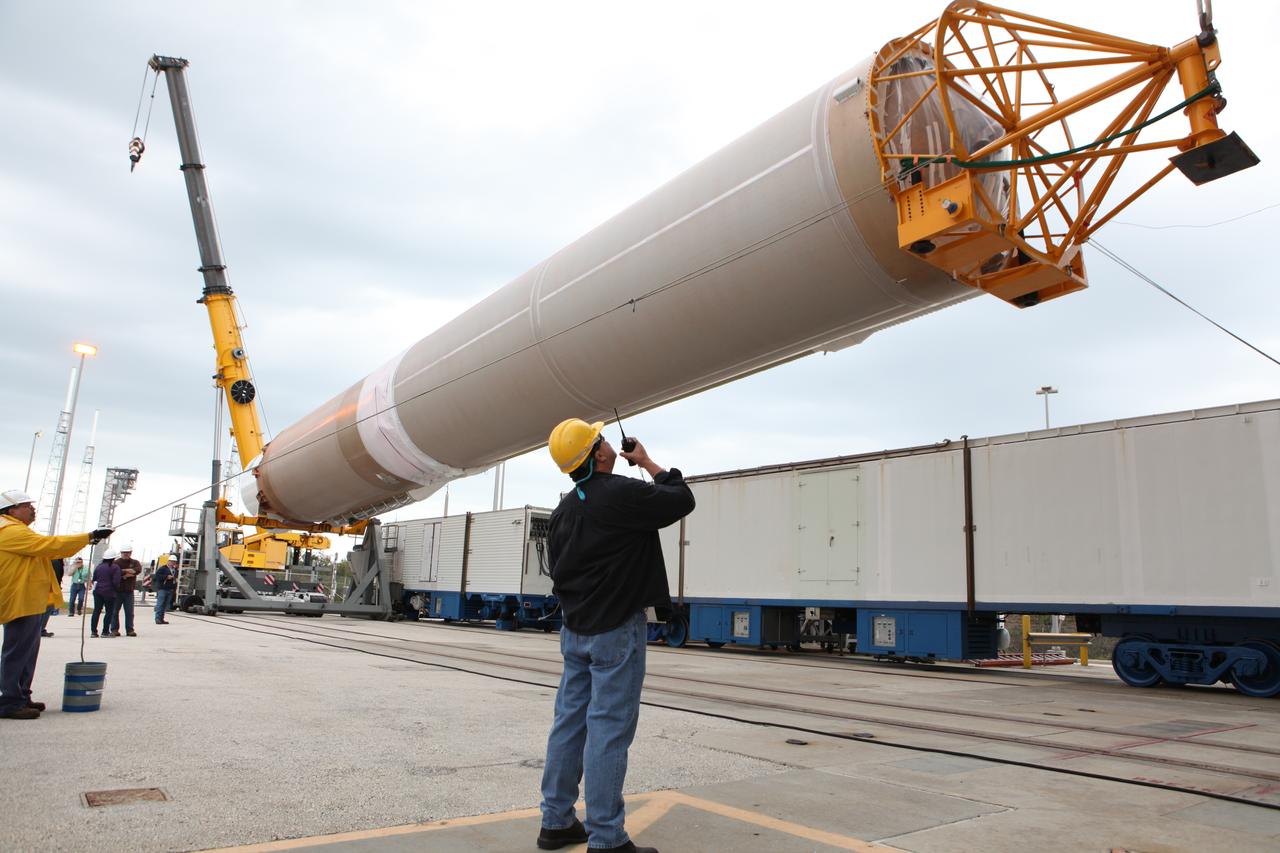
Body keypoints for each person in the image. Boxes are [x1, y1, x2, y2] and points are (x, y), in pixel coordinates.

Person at [536, 419, 694, 853]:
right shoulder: (622, 492)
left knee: (568, 724)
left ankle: (556, 822)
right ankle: (606, 838)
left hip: (575, 631)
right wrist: (646, 461)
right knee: (608, 730)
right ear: (600, 454)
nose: (607, 443)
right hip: (615, 633)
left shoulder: (563, 512)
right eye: (601, 439)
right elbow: (681, 498)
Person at [0, 489, 110, 720]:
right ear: (11, 510)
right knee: (17, 651)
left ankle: (21, 696)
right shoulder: (8, 530)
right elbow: (51, 545)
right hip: (21, 600)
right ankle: (10, 701)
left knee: (27, 651)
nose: (32, 509)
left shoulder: (16, 530)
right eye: (26, 505)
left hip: (30, 600)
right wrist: (88, 537)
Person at [111, 544, 142, 638]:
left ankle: (130, 630)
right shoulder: (116, 562)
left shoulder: (135, 562)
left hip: (129, 591)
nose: (126, 554)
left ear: (131, 553)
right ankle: (114, 629)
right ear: (121, 553)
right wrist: (127, 572)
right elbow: (115, 572)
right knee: (114, 611)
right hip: (117, 591)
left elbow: (137, 570)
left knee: (129, 612)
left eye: (127, 552)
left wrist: (124, 572)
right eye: (124, 552)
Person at [91, 549, 121, 638]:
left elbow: (94, 578)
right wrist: (116, 589)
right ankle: (105, 632)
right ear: (113, 558)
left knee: (96, 611)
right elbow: (116, 581)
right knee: (109, 612)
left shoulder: (99, 567)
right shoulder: (115, 567)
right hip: (110, 593)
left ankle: (93, 632)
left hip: (98, 592)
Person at [39, 558, 64, 638]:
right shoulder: (55, 561)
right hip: (49, 588)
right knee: (48, 608)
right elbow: (56, 576)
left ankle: (39, 629)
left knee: (44, 609)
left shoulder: (52, 560)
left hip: (46, 587)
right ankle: (40, 629)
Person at [152, 555, 176, 624]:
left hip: (170, 589)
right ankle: (158, 619)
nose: (173, 563)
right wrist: (166, 577)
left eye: (174, 562)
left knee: (165, 605)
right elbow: (157, 576)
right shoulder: (163, 568)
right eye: (172, 561)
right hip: (162, 589)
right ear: (168, 561)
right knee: (160, 604)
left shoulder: (174, 570)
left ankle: (161, 619)